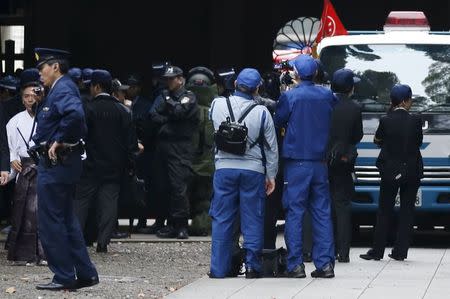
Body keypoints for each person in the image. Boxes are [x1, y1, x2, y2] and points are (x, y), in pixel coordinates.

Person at [32, 48, 98, 290]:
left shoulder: (64, 88)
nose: (39, 73)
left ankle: (63, 276)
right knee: (66, 220)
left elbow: (75, 116)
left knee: (50, 222)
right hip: (62, 164)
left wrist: (59, 138)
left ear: (55, 67)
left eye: (42, 68)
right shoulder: (57, 90)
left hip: (56, 163)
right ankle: (85, 273)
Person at [208, 68, 278, 278]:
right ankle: (252, 268)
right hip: (253, 171)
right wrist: (271, 175)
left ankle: (218, 269)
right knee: (253, 219)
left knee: (221, 219)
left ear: (236, 83)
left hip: (224, 169)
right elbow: (271, 147)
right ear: (257, 89)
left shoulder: (217, 104)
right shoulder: (262, 112)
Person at [274, 54, 335, 278]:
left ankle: (296, 265)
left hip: (297, 162)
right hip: (320, 162)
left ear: (297, 74)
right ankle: (325, 264)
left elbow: (278, 121)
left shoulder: (291, 97)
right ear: (316, 73)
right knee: (321, 212)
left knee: (295, 212)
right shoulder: (327, 95)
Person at [74, 69, 138, 253]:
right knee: (109, 203)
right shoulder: (123, 111)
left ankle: (77, 240)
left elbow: (80, 136)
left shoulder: (88, 109)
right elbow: (131, 143)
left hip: (89, 165)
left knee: (81, 203)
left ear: (96, 87)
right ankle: (103, 242)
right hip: (114, 166)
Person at [360, 84, 423, 262]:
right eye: (410, 99)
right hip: (412, 170)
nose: (411, 103)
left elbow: (377, 140)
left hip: (390, 171)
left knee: (384, 210)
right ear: (405, 101)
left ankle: (378, 250)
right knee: (407, 211)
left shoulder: (385, 120)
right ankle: (400, 252)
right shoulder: (416, 120)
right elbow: (418, 142)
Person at [150, 65, 199, 239]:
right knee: (162, 186)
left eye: (172, 79)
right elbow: (153, 115)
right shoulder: (163, 95)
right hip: (163, 146)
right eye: (167, 79)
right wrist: (168, 118)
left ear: (180, 79)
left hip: (180, 147)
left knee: (179, 187)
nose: (168, 82)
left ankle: (180, 225)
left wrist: (170, 108)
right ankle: (168, 223)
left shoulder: (189, 96)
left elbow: (180, 112)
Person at [6, 80, 46, 265]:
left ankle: (46, 254)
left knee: (46, 212)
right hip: (26, 169)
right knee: (25, 212)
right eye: (26, 96)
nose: (30, 99)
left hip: (46, 168)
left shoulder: (49, 118)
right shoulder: (14, 122)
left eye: (34, 95)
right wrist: (10, 172)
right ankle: (24, 254)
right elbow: (12, 151)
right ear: (22, 99)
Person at [327, 68, 363, 263]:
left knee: (324, 205)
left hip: (323, 159)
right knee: (342, 206)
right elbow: (356, 136)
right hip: (343, 161)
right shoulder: (355, 108)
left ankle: (327, 248)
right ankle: (344, 252)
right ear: (350, 88)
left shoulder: (325, 102)